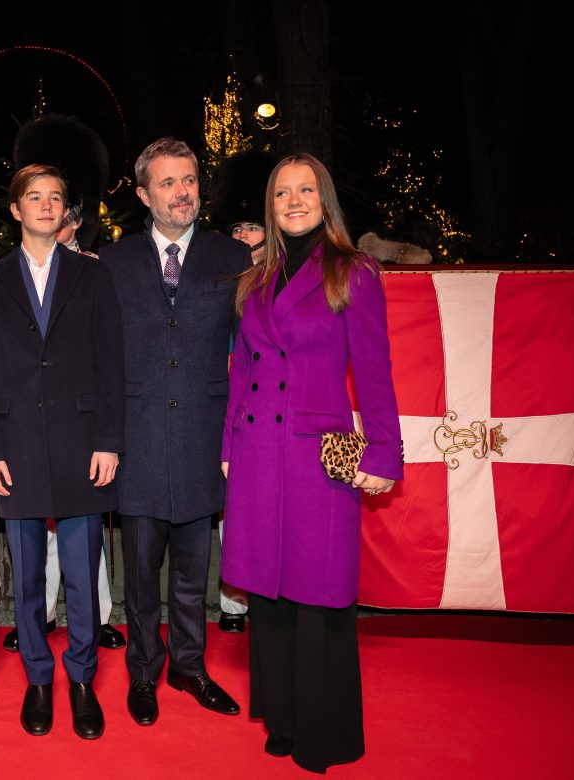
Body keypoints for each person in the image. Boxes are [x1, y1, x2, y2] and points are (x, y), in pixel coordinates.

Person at [221, 153, 402, 773]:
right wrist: (227, 449)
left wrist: (384, 452)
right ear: (269, 207)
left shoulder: (353, 271)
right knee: (269, 588)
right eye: (280, 193)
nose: (293, 201)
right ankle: (283, 715)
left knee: (319, 589)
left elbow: (375, 372)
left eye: (305, 190)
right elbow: (242, 370)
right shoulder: (255, 278)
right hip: (256, 451)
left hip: (317, 457)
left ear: (323, 198)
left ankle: (323, 731)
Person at [0, 164, 124, 739]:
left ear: (66, 211)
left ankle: (81, 678)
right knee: (28, 575)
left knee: (84, 572)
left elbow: (112, 364)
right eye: (33, 197)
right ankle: (38, 678)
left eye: (55, 197)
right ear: (15, 209)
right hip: (15, 447)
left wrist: (110, 440)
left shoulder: (93, 276)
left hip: (83, 444)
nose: (44, 205)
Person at [100, 138, 249, 726]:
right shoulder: (111, 263)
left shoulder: (231, 258)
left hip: (204, 437)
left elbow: (255, 352)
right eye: (167, 182)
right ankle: (144, 673)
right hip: (135, 439)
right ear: (143, 193)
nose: (182, 192)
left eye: (188, 180)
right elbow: (98, 358)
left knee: (193, 572)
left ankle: (189, 666)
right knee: (139, 576)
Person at [208, 147, 276, 634]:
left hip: (271, 405)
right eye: (236, 229)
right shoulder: (220, 278)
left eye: (252, 227)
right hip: (228, 405)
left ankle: (271, 596)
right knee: (235, 505)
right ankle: (233, 601)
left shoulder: (282, 275)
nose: (243, 237)